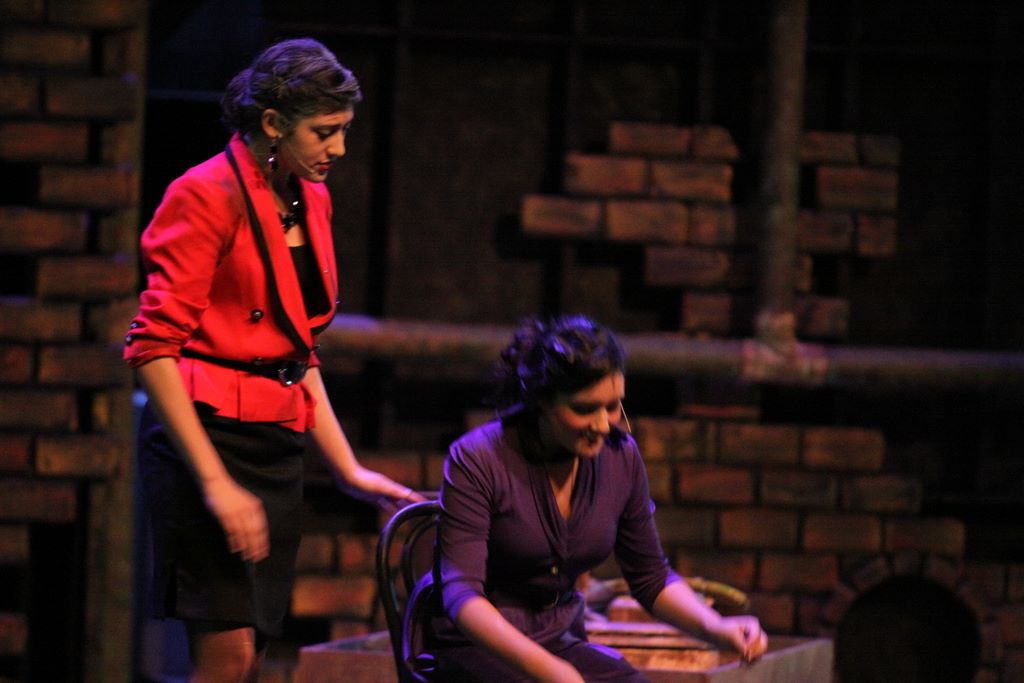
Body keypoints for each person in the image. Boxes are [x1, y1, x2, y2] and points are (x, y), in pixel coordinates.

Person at [124, 38, 422, 683]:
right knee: (226, 657)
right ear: (272, 124)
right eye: (324, 132)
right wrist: (215, 484)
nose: (339, 149)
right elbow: (151, 349)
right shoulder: (205, 194)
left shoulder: (310, 196)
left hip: (275, 443)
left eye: (344, 131)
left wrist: (345, 467)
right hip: (207, 438)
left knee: (249, 657)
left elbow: (297, 349)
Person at [416, 315, 768, 682]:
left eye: (613, 406)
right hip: (475, 647)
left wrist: (717, 627)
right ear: (541, 402)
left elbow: (650, 575)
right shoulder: (479, 458)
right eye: (584, 409)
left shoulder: (619, 457)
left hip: (558, 641)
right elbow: (462, 596)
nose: (602, 425)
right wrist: (549, 671)